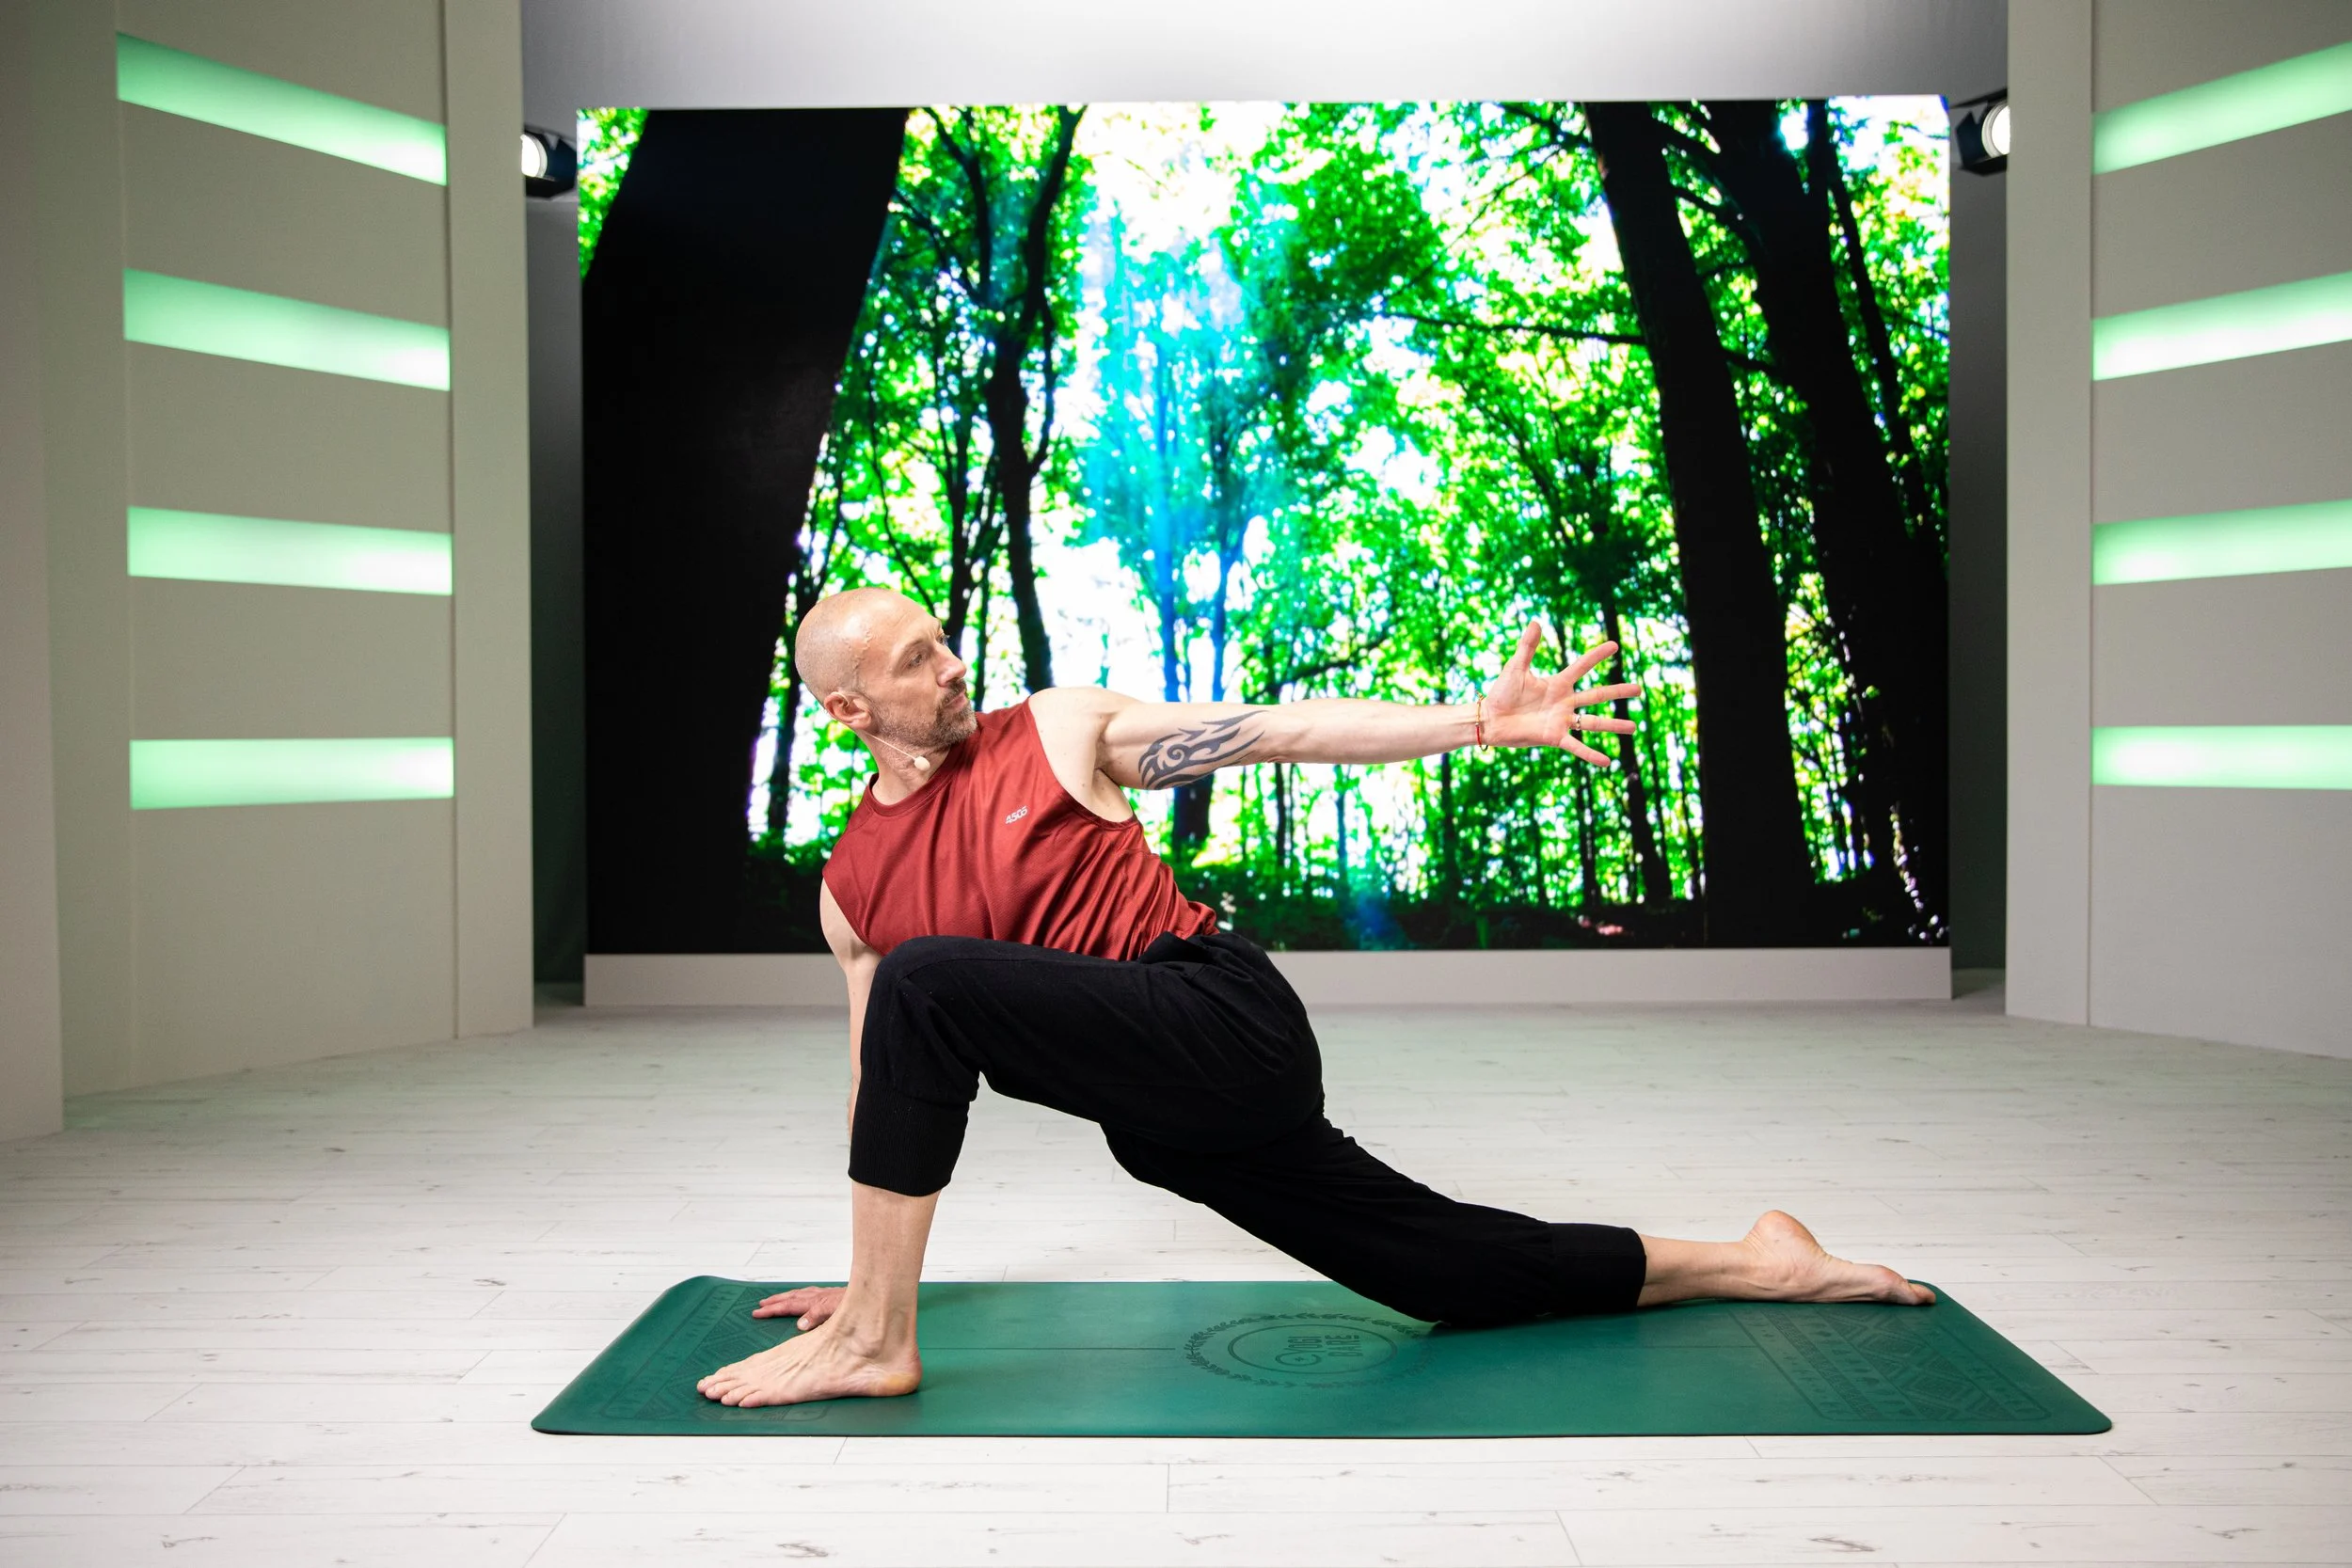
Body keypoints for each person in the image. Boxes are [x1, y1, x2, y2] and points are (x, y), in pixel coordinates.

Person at [697, 586, 1931, 1409]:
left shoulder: (1060, 730)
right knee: (1450, 1272)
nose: (954, 665)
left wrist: (1478, 724)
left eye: (945, 637)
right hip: (1170, 1119)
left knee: (927, 979)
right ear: (850, 710)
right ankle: (1763, 1262)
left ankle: (878, 1345)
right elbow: (886, 1084)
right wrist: (862, 1266)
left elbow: (1274, 732)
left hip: (1220, 1020)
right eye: (916, 663)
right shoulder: (852, 887)